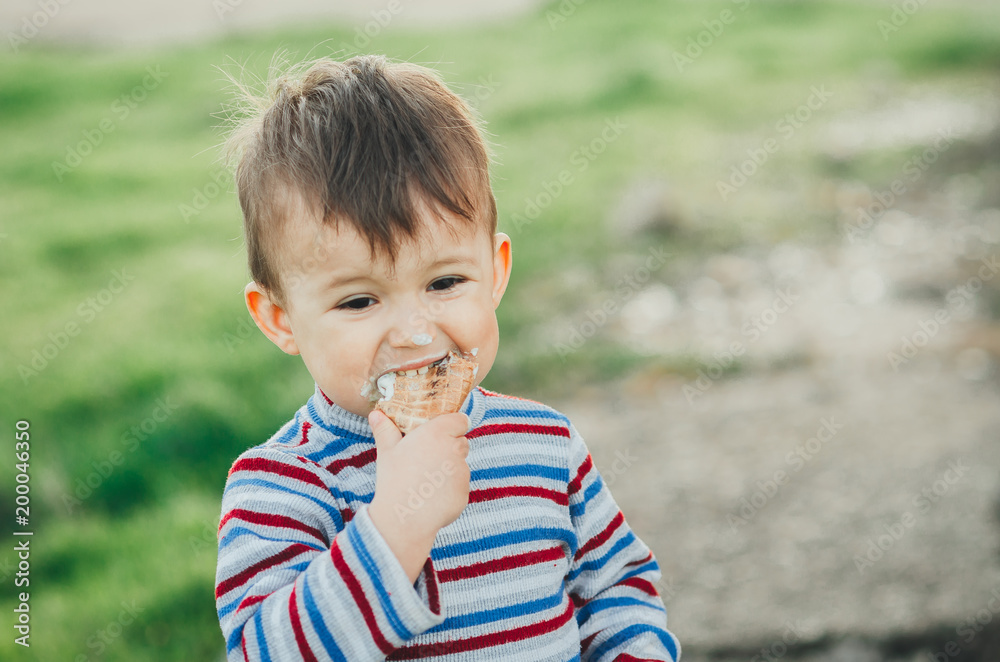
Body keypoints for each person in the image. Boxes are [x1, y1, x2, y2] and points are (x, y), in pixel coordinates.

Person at [215, 53, 680, 662]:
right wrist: (396, 527)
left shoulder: (545, 445)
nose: (413, 333)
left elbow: (618, 591)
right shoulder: (286, 487)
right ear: (280, 319)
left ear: (495, 274)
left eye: (444, 283)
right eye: (359, 300)